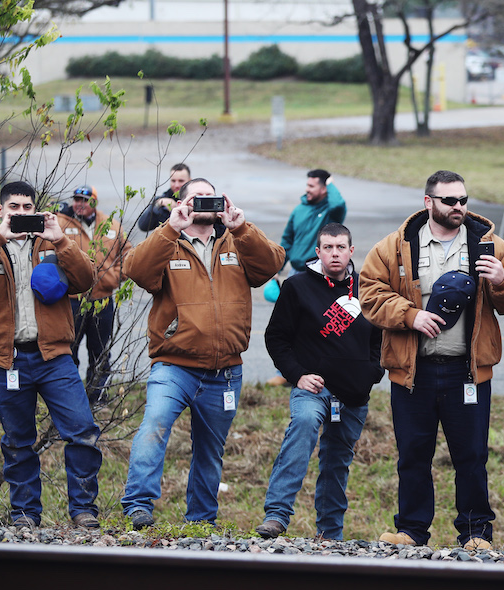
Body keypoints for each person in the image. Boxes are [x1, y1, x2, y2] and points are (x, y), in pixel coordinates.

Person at [360, 170, 504, 550]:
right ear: (428, 202)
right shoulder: (396, 246)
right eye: (450, 200)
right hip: (413, 373)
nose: (458, 207)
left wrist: (502, 280)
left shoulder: (488, 244)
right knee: (413, 455)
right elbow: (369, 293)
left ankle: (475, 533)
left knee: (471, 457)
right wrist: (410, 316)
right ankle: (411, 531)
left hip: (467, 374)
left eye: (463, 200)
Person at [121, 177, 284, 529]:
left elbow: (271, 265)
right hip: (174, 366)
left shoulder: (237, 240)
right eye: (196, 197)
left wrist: (242, 227)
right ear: (182, 203)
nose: (204, 202)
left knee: (211, 449)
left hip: (225, 372)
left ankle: (200, 520)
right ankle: (138, 506)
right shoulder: (168, 242)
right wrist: (170, 228)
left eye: (210, 196)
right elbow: (135, 270)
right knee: (154, 426)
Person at [0, 181, 103, 529]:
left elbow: (86, 279)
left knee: (82, 431)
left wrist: (61, 240)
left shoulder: (52, 242)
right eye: (14, 207)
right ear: (1, 210)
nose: (20, 213)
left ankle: (83, 510)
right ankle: (25, 514)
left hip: (54, 358)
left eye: (27, 207)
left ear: (36, 209)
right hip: (8, 361)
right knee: (18, 442)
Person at [256, 223, 383, 540]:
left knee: (336, 463)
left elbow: (381, 339)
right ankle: (277, 515)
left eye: (340, 247)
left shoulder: (367, 288)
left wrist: (371, 374)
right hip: (313, 389)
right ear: (318, 251)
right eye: (328, 247)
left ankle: (330, 534)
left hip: (353, 394)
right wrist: (297, 375)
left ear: (351, 251)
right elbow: (276, 338)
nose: (334, 254)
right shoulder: (297, 287)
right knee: (303, 427)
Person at [268, 169, 347, 387]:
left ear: (324, 188)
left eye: (312, 186)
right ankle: (286, 372)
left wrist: (330, 183)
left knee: (319, 324)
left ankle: (320, 371)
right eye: (307, 185)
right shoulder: (299, 210)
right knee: (289, 323)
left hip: (320, 275)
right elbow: (287, 239)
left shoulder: (331, 212)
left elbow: (339, 204)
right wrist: (278, 268)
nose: (307, 189)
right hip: (296, 274)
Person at [58, 184, 133, 405]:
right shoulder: (61, 224)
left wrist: (113, 278)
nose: (80, 204)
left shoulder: (112, 225)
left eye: (85, 200)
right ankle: (70, 398)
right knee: (68, 351)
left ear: (94, 202)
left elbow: (128, 256)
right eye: (76, 200)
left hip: (103, 300)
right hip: (71, 301)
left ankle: (97, 396)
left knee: (99, 352)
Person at [137, 163, 191, 232]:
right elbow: (143, 226)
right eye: (173, 181)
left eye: (181, 181)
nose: (176, 185)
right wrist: (157, 204)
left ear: (189, 181)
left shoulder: (195, 201)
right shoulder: (162, 200)